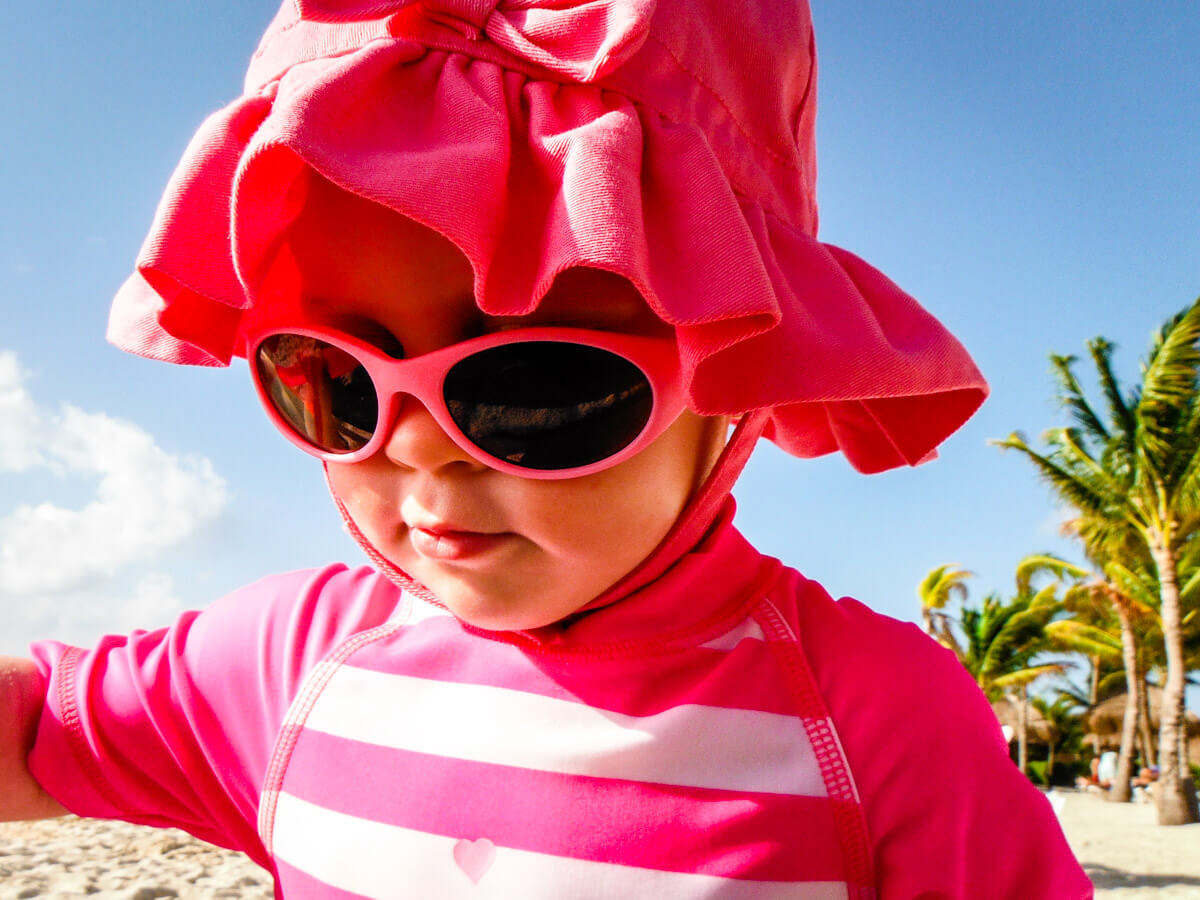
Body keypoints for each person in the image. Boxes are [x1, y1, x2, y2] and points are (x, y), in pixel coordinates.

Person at [0, 1, 1093, 897]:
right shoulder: (289, 665)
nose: (421, 452)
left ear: (736, 380)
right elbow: (38, 726)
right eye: (334, 381)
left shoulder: (879, 724)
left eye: (534, 386)